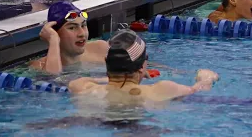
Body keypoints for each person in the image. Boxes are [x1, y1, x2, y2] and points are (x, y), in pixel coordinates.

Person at [69, 29, 219, 102]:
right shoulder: (162, 89)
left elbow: (79, 82)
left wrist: (113, 76)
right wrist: (206, 77)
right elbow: (199, 90)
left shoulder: (84, 88)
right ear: (142, 66)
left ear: (107, 64)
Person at [30, 1, 109, 75]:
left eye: (83, 25)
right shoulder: (39, 66)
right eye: (72, 28)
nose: (81, 34)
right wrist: (53, 40)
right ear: (55, 32)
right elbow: (53, 78)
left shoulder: (100, 48)